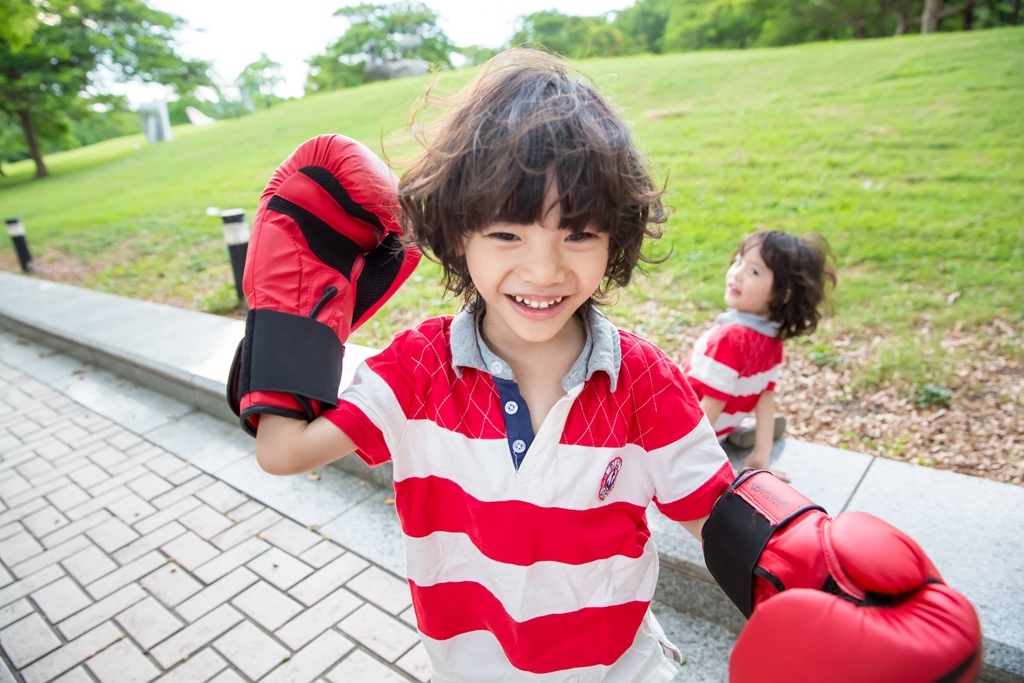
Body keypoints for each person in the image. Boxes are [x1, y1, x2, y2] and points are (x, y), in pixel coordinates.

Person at [228, 49, 981, 683]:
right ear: (457, 235)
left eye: (578, 234)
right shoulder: (418, 370)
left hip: (622, 669)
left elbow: (711, 506)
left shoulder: (642, 380)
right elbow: (284, 450)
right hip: (471, 667)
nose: (545, 268)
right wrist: (296, 319)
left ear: (615, 238)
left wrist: (813, 565)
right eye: (507, 233)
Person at [680, 231, 836, 482]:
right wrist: (762, 456)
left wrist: (682, 457)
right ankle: (738, 433)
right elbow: (765, 397)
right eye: (739, 261)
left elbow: (710, 407)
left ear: (782, 294)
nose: (737, 273)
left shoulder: (729, 339)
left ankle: (729, 437)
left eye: (753, 271)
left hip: (685, 432)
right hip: (717, 429)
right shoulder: (772, 341)